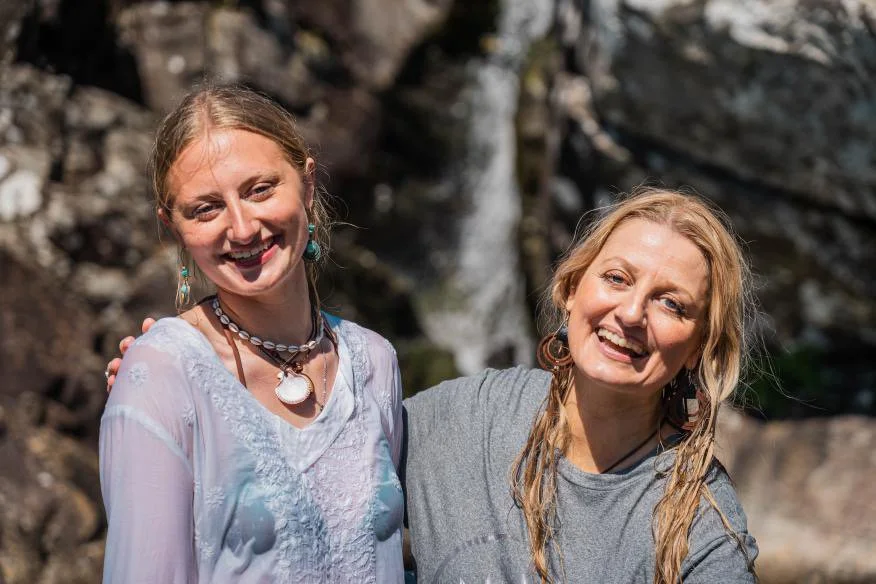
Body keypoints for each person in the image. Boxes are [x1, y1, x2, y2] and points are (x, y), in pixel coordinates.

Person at [108, 190, 759, 578]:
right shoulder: (465, 420)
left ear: (703, 345)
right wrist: (180, 380)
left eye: (672, 303)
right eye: (616, 279)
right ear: (570, 288)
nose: (631, 314)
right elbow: (297, 465)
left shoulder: (704, 531)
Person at [99, 85, 405, 583]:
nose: (242, 228)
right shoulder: (161, 374)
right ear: (173, 227)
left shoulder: (375, 361)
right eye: (205, 209)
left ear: (306, 185)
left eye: (260, 189)